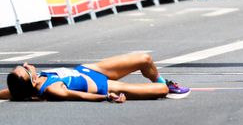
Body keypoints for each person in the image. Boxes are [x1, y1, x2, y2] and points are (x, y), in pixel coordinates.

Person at [0, 52, 190, 102]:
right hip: (105, 86)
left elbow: (4, 93)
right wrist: (106, 97)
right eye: (25, 68)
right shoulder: (51, 89)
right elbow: (81, 96)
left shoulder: (20, 87)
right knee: (162, 90)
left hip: (89, 70)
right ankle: (165, 86)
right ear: (32, 80)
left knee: (145, 59)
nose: (26, 65)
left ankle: (162, 80)